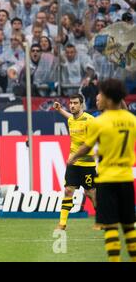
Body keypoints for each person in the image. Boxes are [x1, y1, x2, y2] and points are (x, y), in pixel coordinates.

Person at [67, 79, 136, 262]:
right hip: (126, 179)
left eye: (102, 95)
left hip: (106, 180)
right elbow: (125, 112)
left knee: (111, 226)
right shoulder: (131, 120)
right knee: (129, 226)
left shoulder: (99, 122)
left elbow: (87, 147)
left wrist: (74, 157)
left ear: (107, 97)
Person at [53, 94, 97, 230]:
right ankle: (62, 223)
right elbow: (71, 117)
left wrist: (77, 156)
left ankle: (102, 219)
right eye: (70, 103)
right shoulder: (71, 119)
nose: (72, 105)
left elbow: (91, 143)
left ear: (81, 104)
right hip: (73, 164)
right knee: (68, 190)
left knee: (91, 194)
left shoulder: (90, 120)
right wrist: (60, 110)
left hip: (87, 164)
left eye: (75, 103)